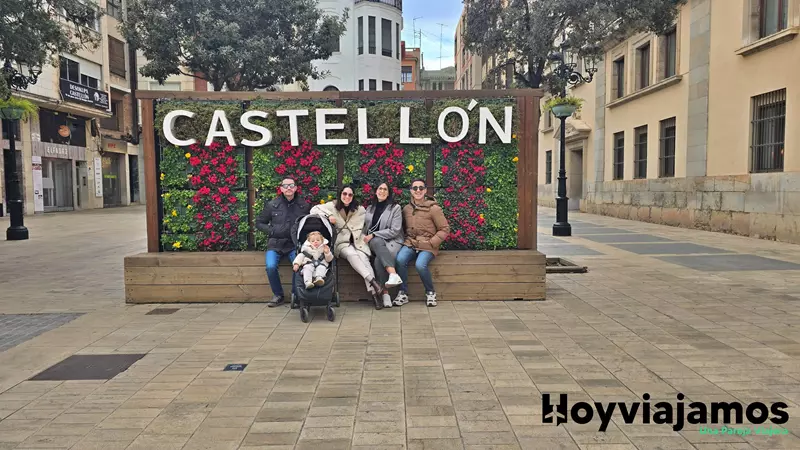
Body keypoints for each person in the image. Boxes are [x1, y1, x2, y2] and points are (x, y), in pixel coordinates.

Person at [310, 185, 384, 309]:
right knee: (351, 255)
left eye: (350, 195)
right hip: (342, 243)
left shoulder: (360, 209)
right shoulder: (332, 206)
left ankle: (375, 294)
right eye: (344, 194)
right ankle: (373, 282)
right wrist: (329, 216)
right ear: (340, 194)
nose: (347, 197)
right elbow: (314, 209)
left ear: (353, 196)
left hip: (359, 242)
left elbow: (368, 224)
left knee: (364, 260)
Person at [394, 178, 451, 307]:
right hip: (411, 243)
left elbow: (445, 229)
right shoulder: (406, 209)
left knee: (420, 265)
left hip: (428, 245)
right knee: (400, 260)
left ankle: (430, 292)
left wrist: (432, 242)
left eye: (421, 188)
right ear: (411, 191)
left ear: (425, 190)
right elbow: (402, 228)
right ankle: (403, 293)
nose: (418, 190)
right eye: (415, 188)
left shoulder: (434, 208)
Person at [255, 177, 310, 307]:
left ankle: (295, 296)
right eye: (285, 186)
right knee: (270, 266)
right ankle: (278, 295)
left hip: (293, 245)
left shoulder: (304, 206)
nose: (288, 188)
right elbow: (259, 223)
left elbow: (308, 224)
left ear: (296, 188)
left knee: (299, 267)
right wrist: (272, 231)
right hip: (275, 244)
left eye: (291, 185)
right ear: (281, 189)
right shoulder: (272, 205)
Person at [363, 182, 404, 308]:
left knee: (377, 261)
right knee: (376, 243)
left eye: (385, 189)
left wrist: (375, 234)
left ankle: (386, 294)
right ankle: (393, 274)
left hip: (392, 241)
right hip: (373, 243)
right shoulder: (370, 208)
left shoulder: (395, 208)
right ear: (376, 191)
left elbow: (395, 230)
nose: (382, 191)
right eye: (380, 188)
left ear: (389, 192)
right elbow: (364, 228)